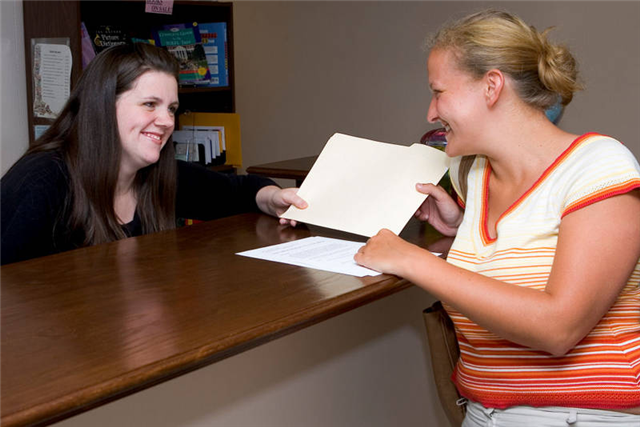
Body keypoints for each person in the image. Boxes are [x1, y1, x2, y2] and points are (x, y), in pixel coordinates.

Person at [355, 10, 640, 426]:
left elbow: (558, 328)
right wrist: (457, 232)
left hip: (582, 415)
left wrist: (411, 259)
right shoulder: (470, 172)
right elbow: (517, 263)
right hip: (482, 412)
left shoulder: (599, 166)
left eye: (438, 92)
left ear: (491, 86)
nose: (431, 112)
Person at [0, 43, 306, 266]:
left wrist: (270, 197)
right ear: (102, 106)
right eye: (150, 104)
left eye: (171, 109)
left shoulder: (157, 172)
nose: (167, 121)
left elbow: (235, 192)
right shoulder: (42, 181)